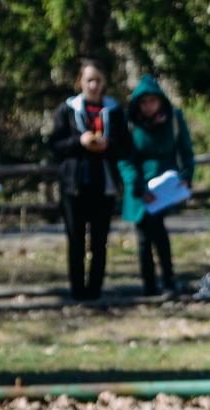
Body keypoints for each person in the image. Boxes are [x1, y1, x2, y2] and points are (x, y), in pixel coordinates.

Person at [49, 59, 131, 301]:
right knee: (75, 241)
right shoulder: (67, 110)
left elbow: (125, 146)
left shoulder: (114, 111)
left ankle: (95, 290)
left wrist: (108, 144)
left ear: (104, 83)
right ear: (80, 82)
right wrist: (80, 141)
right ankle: (77, 291)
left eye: (98, 80)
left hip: (103, 184)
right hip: (74, 185)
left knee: (99, 242)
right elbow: (54, 145)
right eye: (89, 80)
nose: (94, 85)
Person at [117, 75, 194, 296]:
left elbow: (186, 151)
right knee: (144, 236)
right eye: (143, 102)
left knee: (159, 233)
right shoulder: (131, 125)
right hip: (140, 188)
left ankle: (168, 280)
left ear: (160, 101)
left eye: (152, 101)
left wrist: (186, 175)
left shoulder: (174, 120)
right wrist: (137, 186)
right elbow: (125, 159)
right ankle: (149, 285)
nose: (148, 106)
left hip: (165, 188)